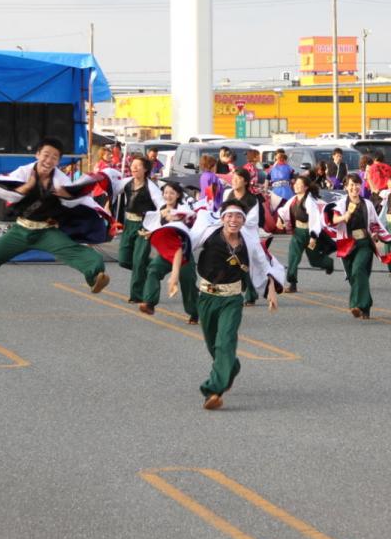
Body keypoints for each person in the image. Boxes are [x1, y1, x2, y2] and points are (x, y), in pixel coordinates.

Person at [0, 138, 110, 300]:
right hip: (21, 230)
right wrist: (27, 187)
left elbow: (76, 203)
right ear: (38, 154)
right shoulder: (23, 172)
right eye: (46, 154)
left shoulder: (61, 179)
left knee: (77, 252)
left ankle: (94, 278)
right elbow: (8, 195)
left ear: (58, 161)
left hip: (46, 231)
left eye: (54, 157)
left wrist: (65, 195)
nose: (49, 160)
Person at [168, 202, 282, 410]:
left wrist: (271, 289)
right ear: (222, 219)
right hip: (206, 297)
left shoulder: (249, 241)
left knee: (225, 342)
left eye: (238, 216)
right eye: (229, 216)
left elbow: (264, 264)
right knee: (214, 346)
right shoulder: (208, 234)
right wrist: (174, 276)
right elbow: (181, 248)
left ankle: (213, 390)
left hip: (232, 299)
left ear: (243, 221)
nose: (233, 220)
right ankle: (231, 367)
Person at [329, 173, 390, 319]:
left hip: (363, 243)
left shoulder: (367, 204)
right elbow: (332, 219)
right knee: (353, 276)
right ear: (346, 187)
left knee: (358, 270)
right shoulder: (341, 204)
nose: (354, 187)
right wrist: (344, 217)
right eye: (351, 184)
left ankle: (356, 305)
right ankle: (366, 305)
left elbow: (374, 222)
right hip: (347, 244)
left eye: (357, 184)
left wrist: (376, 234)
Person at [139, 181, 199, 322]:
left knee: (188, 282)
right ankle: (149, 303)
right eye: (166, 193)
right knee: (153, 270)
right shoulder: (160, 210)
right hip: (166, 253)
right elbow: (157, 228)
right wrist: (150, 233)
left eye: (172, 193)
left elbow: (191, 219)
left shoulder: (184, 209)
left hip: (183, 253)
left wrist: (175, 216)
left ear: (178, 195)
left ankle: (194, 312)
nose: (168, 195)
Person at [115, 155, 165, 303]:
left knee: (138, 261)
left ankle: (136, 296)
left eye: (138, 165)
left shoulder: (151, 187)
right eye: (133, 165)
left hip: (144, 226)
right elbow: (111, 189)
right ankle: (154, 267)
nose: (134, 168)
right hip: (128, 224)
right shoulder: (126, 183)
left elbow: (161, 205)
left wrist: (160, 222)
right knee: (124, 259)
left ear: (145, 169)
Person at [277, 175, 334, 292]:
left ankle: (328, 263)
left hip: (309, 233)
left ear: (306, 187)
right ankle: (292, 284)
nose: (296, 186)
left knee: (314, 261)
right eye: (295, 183)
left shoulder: (309, 202)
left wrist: (313, 237)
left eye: (299, 184)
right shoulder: (293, 200)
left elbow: (315, 220)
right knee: (293, 258)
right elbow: (283, 211)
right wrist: (279, 220)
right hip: (297, 232)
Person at [221, 167, 265, 305]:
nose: (234, 181)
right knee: (230, 262)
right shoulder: (228, 194)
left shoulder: (252, 200)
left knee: (246, 264)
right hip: (229, 233)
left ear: (245, 182)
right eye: (233, 178)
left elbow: (253, 220)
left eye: (238, 178)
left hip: (247, 236)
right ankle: (231, 291)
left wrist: (236, 222)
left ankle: (250, 295)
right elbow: (221, 212)